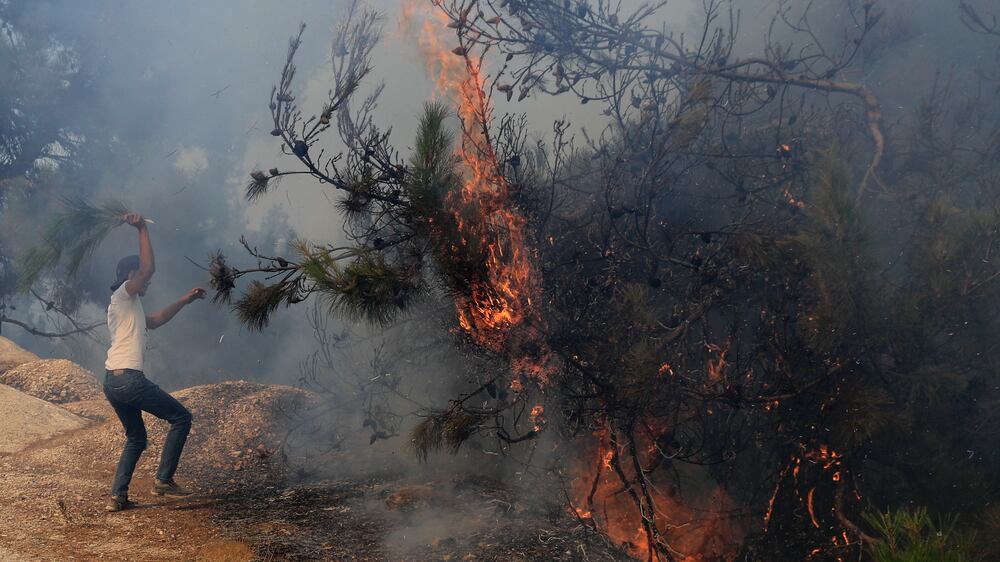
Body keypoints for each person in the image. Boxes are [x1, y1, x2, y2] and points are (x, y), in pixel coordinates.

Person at [103, 212, 206, 512]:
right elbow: (148, 268)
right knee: (181, 418)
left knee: (136, 437)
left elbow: (156, 320)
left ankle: (117, 497)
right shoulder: (123, 295)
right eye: (141, 277)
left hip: (113, 380)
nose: (147, 280)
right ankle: (164, 481)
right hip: (128, 380)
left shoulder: (128, 307)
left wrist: (185, 300)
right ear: (129, 277)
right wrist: (141, 229)